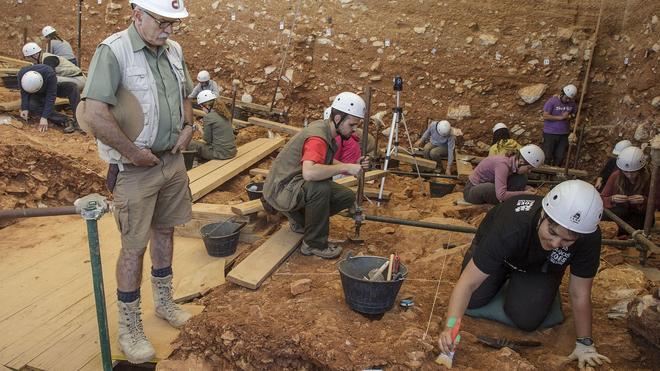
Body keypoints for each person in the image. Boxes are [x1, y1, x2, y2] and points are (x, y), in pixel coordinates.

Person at [78, 0, 194, 364]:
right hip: (135, 169)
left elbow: (184, 95)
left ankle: (163, 302)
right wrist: (132, 153)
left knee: (166, 232)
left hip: (171, 162)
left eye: (174, 23)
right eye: (162, 22)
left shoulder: (174, 50)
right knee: (134, 247)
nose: (169, 30)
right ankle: (129, 326)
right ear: (137, 14)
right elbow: (94, 115)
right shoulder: (114, 52)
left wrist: (189, 127)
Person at [439, 180, 611, 370]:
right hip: (502, 255)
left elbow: (580, 292)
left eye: (566, 240)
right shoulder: (512, 225)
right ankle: (502, 276)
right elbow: (467, 284)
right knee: (472, 300)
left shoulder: (589, 237)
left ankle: (537, 287)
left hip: (539, 267)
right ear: (543, 215)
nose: (555, 243)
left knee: (527, 319)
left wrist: (585, 343)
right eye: (552, 232)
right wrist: (451, 327)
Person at [263, 92, 370, 259]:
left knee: (346, 196)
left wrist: (351, 167)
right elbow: (310, 172)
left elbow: (325, 160)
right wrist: (346, 167)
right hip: (281, 190)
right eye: (352, 124)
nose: (355, 129)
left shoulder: (326, 130)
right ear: (337, 119)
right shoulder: (318, 138)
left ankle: (301, 220)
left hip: (291, 185)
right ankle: (313, 244)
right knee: (320, 188)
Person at [600, 146, 659, 235]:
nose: (630, 175)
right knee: (602, 216)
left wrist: (645, 200)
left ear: (640, 169)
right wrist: (612, 199)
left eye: (633, 172)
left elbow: (657, 202)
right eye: (626, 172)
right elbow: (601, 199)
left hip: (640, 214)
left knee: (635, 225)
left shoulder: (649, 178)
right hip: (621, 210)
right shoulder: (616, 176)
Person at [463, 144, 544, 205]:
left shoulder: (512, 162)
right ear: (521, 162)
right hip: (471, 191)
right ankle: (507, 204)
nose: (529, 171)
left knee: (521, 178)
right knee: (489, 188)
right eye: (529, 168)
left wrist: (526, 188)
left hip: (491, 184)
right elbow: (501, 195)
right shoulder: (502, 165)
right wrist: (524, 193)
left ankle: (509, 200)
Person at [17, 64, 80, 133]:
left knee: (72, 88)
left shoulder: (49, 73)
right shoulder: (22, 75)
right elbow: (24, 92)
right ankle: (66, 120)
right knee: (32, 106)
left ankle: (79, 120)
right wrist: (25, 108)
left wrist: (44, 117)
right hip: (35, 94)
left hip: (50, 89)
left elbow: (50, 97)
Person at [187, 90, 237, 160]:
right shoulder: (224, 112)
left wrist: (200, 129)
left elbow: (207, 140)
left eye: (202, 106)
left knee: (190, 144)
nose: (202, 109)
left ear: (207, 105)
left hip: (220, 154)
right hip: (232, 152)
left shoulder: (208, 117)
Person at [542, 84, 578, 166]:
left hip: (564, 134)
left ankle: (554, 175)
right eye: (566, 98)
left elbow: (574, 114)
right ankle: (543, 174)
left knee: (560, 156)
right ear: (562, 94)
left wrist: (569, 116)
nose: (568, 100)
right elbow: (545, 116)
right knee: (547, 155)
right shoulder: (552, 101)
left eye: (569, 99)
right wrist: (560, 118)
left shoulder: (572, 103)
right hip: (550, 133)